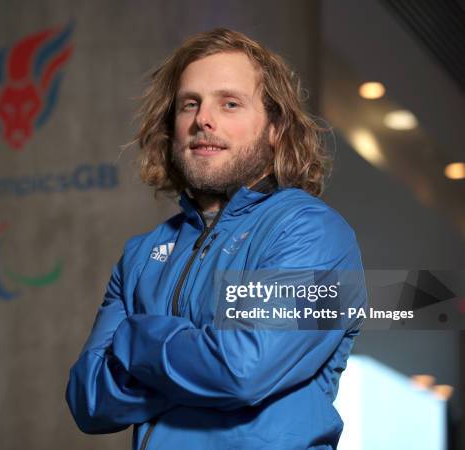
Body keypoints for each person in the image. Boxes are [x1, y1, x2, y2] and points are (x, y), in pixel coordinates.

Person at [66, 28, 366, 450]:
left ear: (276, 128)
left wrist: (133, 337)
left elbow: (239, 370)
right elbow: (88, 400)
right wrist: (197, 352)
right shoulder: (140, 254)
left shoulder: (311, 232)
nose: (203, 119)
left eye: (229, 103)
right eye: (190, 104)